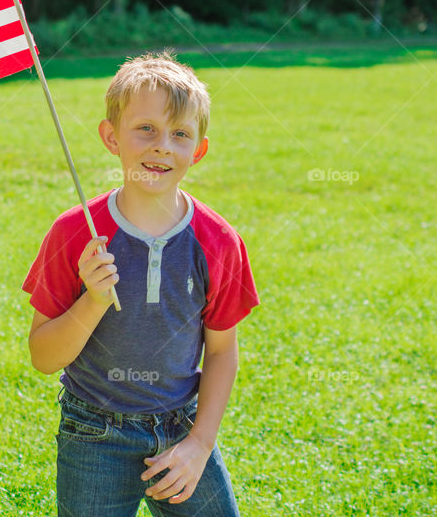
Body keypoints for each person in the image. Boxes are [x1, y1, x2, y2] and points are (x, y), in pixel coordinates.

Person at [22, 51, 260, 516]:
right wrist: (92, 301)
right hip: (93, 433)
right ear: (111, 137)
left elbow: (222, 351)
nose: (162, 147)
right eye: (145, 129)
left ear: (199, 149)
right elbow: (43, 358)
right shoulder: (75, 233)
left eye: (180, 134)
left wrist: (199, 445)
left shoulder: (217, 242)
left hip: (181, 429)